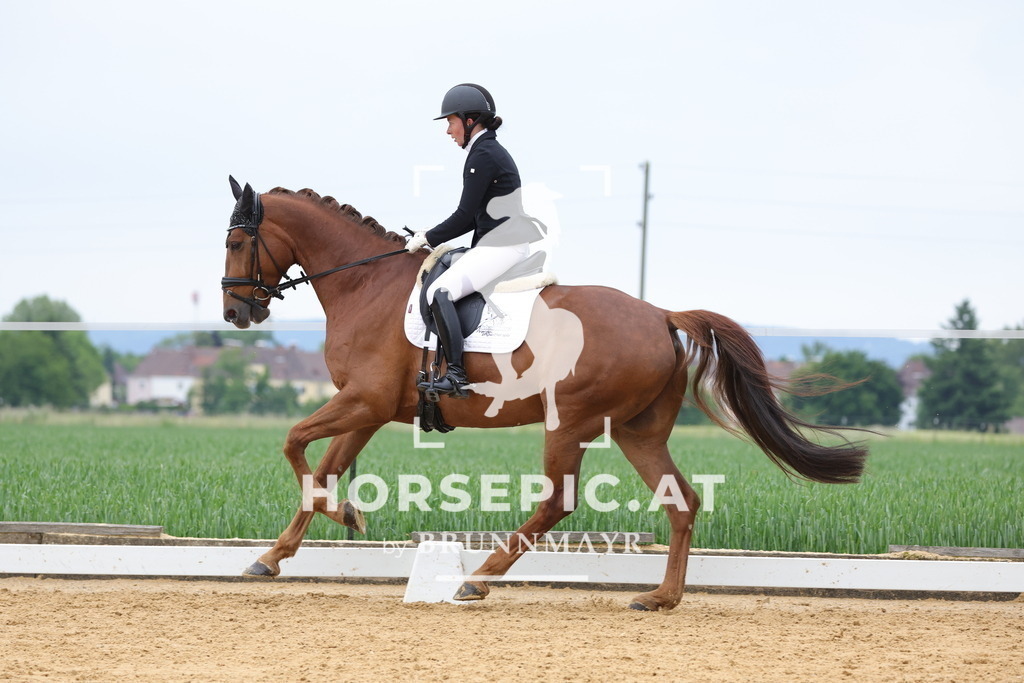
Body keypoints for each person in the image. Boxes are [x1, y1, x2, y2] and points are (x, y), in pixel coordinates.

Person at [406, 83, 537, 399]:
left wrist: (428, 237)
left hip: (503, 246)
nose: (448, 131)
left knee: (440, 291)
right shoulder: (485, 151)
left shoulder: (484, 154)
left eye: (450, 122)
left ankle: (456, 374)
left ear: (470, 120)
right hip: (497, 242)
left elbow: (465, 216)